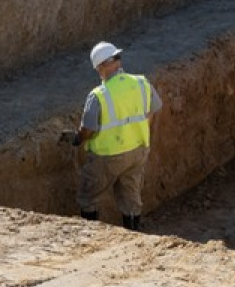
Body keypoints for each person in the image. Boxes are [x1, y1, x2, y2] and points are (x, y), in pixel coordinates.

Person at [60, 41, 161, 231]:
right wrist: (139, 130)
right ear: (117, 61)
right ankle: (134, 238)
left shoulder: (98, 95)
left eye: (98, 69)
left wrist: (77, 139)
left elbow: (88, 128)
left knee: (88, 197)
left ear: (101, 66)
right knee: (131, 198)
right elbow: (153, 109)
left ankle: (90, 237)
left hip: (107, 155)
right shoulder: (141, 82)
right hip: (138, 150)